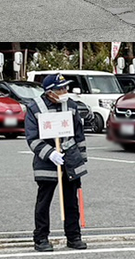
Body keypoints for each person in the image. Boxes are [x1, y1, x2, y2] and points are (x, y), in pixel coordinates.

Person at [25, 74, 88, 252]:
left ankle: (74, 236)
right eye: (61, 89)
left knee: (71, 201)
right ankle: (41, 238)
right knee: (44, 201)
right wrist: (50, 153)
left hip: (70, 159)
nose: (64, 92)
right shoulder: (35, 107)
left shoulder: (72, 106)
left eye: (65, 88)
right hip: (47, 160)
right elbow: (32, 138)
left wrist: (81, 162)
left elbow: (79, 136)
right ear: (50, 92)